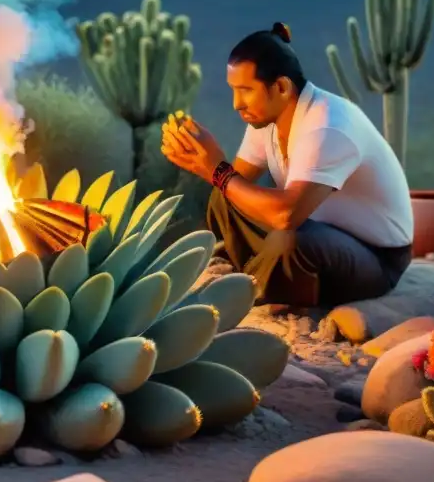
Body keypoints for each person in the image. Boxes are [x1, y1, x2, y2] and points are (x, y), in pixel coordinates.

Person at [160, 22, 414, 309]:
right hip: (317, 230)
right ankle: (256, 278)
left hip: (376, 258)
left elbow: (286, 216)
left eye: (245, 90)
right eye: (233, 90)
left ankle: (262, 291)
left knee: (287, 241)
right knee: (225, 197)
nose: (236, 104)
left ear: (281, 87)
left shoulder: (327, 127)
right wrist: (198, 160)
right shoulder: (266, 118)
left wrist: (217, 169)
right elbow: (235, 183)